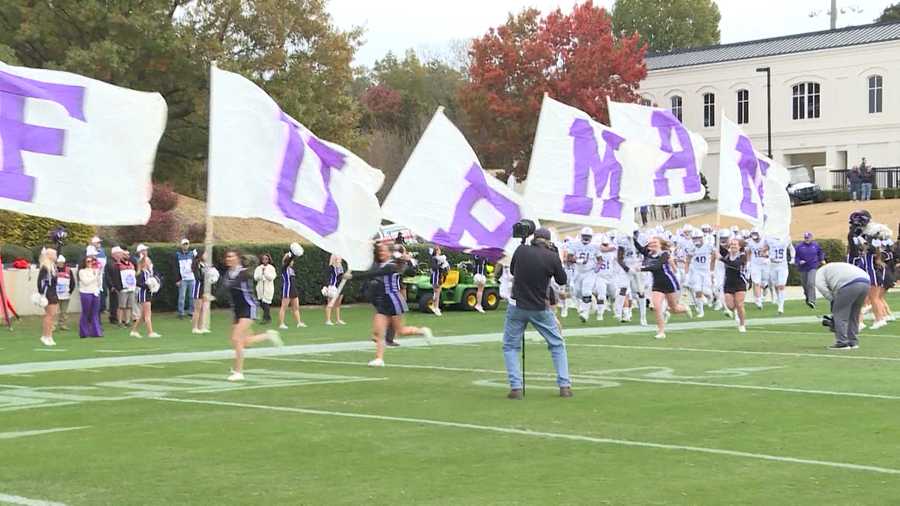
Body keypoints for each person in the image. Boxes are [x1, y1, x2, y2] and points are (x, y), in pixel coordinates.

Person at [502, 227, 571, 399]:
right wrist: (555, 257)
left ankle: (516, 387)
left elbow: (512, 270)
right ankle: (565, 385)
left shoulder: (521, 249)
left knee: (510, 346)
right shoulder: (552, 256)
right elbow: (562, 280)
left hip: (517, 305)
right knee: (556, 344)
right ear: (548, 241)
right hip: (540, 306)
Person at [343, 244, 432, 367]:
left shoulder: (391, 266)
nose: (381, 253)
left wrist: (352, 277)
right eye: (380, 251)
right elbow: (372, 272)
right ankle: (379, 359)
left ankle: (422, 331)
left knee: (400, 331)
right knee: (379, 332)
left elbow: (373, 274)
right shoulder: (384, 264)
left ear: (390, 253)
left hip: (394, 300)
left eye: (384, 251)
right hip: (383, 301)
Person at [222, 249, 283, 381]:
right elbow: (225, 288)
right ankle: (268, 335)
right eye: (227, 257)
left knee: (236, 338)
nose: (228, 258)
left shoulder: (243, 273)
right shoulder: (228, 273)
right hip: (237, 311)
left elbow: (235, 283)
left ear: (237, 259)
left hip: (248, 308)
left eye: (231, 256)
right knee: (243, 341)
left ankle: (239, 372)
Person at [633, 233, 692, 339]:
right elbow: (639, 247)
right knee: (657, 307)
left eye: (655, 242)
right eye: (651, 242)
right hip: (657, 284)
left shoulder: (665, 254)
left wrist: (641, 268)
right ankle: (661, 332)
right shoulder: (648, 253)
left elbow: (657, 266)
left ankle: (685, 308)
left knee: (674, 309)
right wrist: (630, 237)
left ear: (660, 244)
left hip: (669, 282)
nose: (652, 244)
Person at [816, 262, 871, 349]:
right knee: (854, 314)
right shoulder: (834, 267)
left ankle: (842, 342)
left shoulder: (820, 272)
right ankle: (853, 341)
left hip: (849, 284)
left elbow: (822, 287)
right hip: (866, 282)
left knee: (840, 314)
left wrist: (833, 300)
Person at [718, 238, 750, 332]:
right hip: (728, 283)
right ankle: (736, 312)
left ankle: (742, 324)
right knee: (730, 306)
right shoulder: (727, 255)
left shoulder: (742, 256)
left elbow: (735, 265)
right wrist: (715, 234)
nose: (733, 246)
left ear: (739, 246)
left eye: (735, 244)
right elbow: (717, 247)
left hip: (740, 283)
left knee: (739, 304)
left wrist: (720, 259)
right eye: (731, 244)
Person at [130, 251, 161, 338]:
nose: (150, 263)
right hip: (143, 294)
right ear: (144, 263)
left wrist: (155, 284)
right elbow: (139, 283)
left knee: (143, 316)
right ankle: (150, 332)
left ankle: (134, 331)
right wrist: (148, 284)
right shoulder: (141, 272)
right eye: (148, 262)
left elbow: (156, 279)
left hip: (148, 293)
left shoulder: (149, 272)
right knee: (148, 314)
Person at [685, 229, 714, 318]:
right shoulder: (691, 247)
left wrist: (712, 268)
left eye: (698, 238)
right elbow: (688, 260)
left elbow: (715, 255)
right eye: (694, 238)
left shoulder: (708, 246)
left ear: (702, 238)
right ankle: (701, 311)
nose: (696, 240)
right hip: (696, 271)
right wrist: (687, 273)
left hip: (706, 271)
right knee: (697, 290)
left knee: (706, 291)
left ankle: (711, 296)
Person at [764, 234, 794, 314]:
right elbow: (764, 249)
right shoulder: (769, 239)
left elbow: (791, 248)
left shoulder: (785, 239)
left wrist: (793, 258)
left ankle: (781, 307)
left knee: (781, 285)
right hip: (773, 265)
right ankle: (778, 299)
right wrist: (766, 256)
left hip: (782, 265)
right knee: (776, 286)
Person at [278, 244, 306, 329]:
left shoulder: (291, 269)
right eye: (291, 261)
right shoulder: (284, 268)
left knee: (296, 308)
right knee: (284, 307)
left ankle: (299, 323)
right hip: (287, 289)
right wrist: (292, 254)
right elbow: (288, 260)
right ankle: (281, 324)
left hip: (293, 289)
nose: (293, 262)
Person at [795, 232, 825, 308]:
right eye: (805, 238)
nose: (806, 239)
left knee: (811, 283)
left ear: (811, 238)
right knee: (805, 285)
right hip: (803, 268)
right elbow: (796, 257)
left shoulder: (815, 245)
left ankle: (812, 301)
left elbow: (820, 253)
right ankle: (808, 298)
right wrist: (799, 262)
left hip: (813, 266)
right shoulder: (799, 246)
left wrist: (822, 259)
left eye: (808, 238)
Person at [78, 247, 103, 338]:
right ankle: (84, 332)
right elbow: (86, 282)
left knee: (95, 313)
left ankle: (96, 331)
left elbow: (98, 283)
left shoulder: (95, 270)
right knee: (86, 312)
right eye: (88, 261)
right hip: (86, 292)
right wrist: (95, 275)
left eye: (91, 261)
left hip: (95, 292)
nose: (90, 263)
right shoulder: (82, 271)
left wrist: (98, 275)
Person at [36, 248, 59, 347]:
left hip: (53, 292)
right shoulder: (45, 267)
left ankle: (49, 336)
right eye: (54, 254)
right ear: (49, 255)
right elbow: (40, 282)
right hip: (48, 293)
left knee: (52, 315)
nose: (56, 256)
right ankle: (45, 336)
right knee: (49, 315)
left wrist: (59, 243)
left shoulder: (52, 266)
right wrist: (42, 295)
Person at [191, 250, 212, 334]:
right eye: (205, 253)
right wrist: (206, 277)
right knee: (197, 309)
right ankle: (194, 327)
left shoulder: (206, 265)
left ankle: (201, 327)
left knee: (203, 308)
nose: (207, 255)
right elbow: (198, 277)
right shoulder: (197, 264)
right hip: (198, 287)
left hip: (204, 287)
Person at [175, 238, 196, 319]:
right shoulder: (177, 254)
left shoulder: (192, 254)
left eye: (187, 244)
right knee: (182, 296)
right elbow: (175, 268)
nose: (185, 246)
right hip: (182, 279)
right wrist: (177, 279)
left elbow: (196, 264)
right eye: (184, 244)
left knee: (192, 296)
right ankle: (181, 313)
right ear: (181, 245)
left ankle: (191, 312)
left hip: (192, 278)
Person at [253, 253, 277, 325]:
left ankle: (265, 318)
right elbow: (256, 278)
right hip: (260, 288)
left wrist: (265, 272)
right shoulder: (258, 268)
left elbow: (272, 277)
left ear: (269, 260)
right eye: (263, 259)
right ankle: (268, 317)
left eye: (266, 259)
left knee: (266, 303)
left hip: (268, 288)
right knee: (261, 303)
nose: (264, 260)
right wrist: (261, 274)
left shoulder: (271, 268)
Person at [54, 255, 75, 331]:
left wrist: (70, 291)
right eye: (59, 262)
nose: (60, 264)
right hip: (56, 294)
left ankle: (62, 324)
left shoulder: (68, 270)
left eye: (61, 262)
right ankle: (54, 325)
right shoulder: (54, 270)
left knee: (64, 311)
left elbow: (72, 281)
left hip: (66, 294)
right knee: (55, 311)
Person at [324, 254, 346, 325]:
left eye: (339, 259)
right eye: (336, 259)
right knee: (330, 303)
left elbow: (341, 277)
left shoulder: (341, 268)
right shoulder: (331, 267)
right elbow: (327, 277)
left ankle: (338, 320)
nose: (338, 260)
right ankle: (328, 320)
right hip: (332, 287)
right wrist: (327, 287)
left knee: (338, 304)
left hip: (339, 287)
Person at [429, 246, 449, 316]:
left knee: (438, 293)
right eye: (439, 249)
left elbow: (442, 269)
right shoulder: (434, 258)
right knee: (436, 293)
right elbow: (434, 268)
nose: (440, 250)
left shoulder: (440, 258)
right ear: (436, 251)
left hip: (439, 277)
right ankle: (435, 307)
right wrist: (441, 264)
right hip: (435, 277)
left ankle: (435, 307)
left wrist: (444, 267)